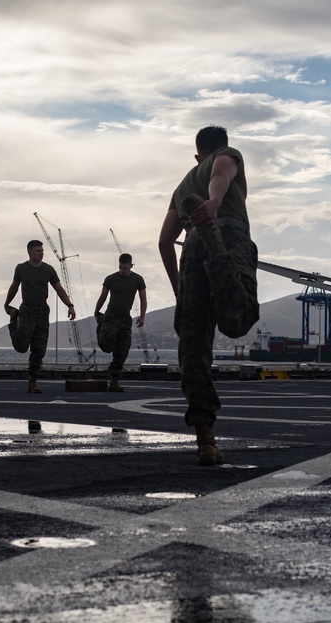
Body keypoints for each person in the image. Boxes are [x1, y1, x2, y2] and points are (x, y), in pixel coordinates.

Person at [158, 126, 259, 465]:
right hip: (225, 231)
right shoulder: (228, 156)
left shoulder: (183, 184)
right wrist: (214, 204)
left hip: (190, 246)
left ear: (196, 155)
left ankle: (205, 440)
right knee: (237, 320)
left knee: (194, 344)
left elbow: (163, 241)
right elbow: (222, 176)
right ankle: (217, 252)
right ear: (222, 147)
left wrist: (178, 290)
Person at [4, 240, 76, 394]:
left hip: (42, 313)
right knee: (21, 347)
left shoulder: (48, 270)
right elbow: (14, 286)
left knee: (39, 350)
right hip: (26, 312)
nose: (41, 253)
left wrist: (70, 305)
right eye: (37, 251)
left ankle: (32, 382)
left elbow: (59, 289)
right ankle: (13, 321)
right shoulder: (21, 268)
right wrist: (7, 303)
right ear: (29, 252)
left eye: (42, 250)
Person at [93, 253, 147, 392]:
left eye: (125, 268)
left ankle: (114, 381)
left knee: (122, 350)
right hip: (111, 316)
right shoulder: (111, 278)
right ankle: (101, 329)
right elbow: (103, 296)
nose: (122, 270)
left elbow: (143, 299)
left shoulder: (138, 279)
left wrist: (142, 317)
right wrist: (97, 311)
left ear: (131, 265)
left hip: (125, 319)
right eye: (120, 268)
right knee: (106, 346)